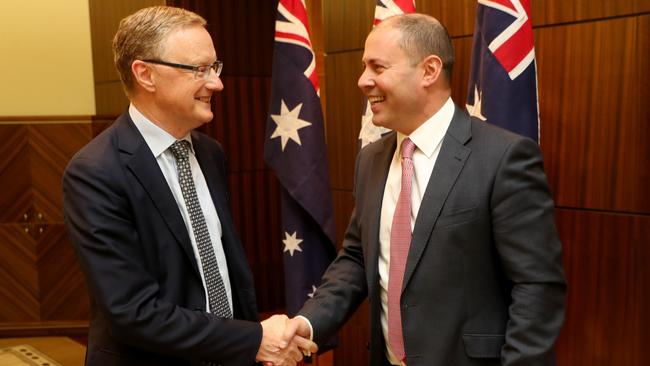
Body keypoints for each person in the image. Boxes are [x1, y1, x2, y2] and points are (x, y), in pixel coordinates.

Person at [282, 13, 566, 366]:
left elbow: (536, 287)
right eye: (363, 67)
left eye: (378, 67)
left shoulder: (503, 158)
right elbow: (357, 258)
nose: (362, 81)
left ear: (429, 71)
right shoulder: (371, 160)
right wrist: (309, 323)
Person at [62, 6, 315, 366]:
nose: (217, 83)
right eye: (199, 69)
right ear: (145, 74)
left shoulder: (210, 154)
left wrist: (250, 347)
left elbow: (224, 268)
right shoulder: (95, 173)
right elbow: (133, 312)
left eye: (215, 67)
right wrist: (253, 339)